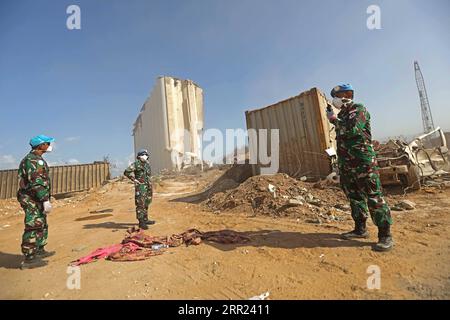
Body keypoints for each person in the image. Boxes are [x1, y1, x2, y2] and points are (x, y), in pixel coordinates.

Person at [326, 84, 394, 252]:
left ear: (347, 95)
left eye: (337, 95)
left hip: (363, 162)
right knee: (354, 197)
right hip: (347, 164)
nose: (335, 99)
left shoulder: (358, 109)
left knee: (373, 196)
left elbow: (353, 129)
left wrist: (334, 120)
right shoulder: (342, 114)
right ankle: (360, 229)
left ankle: (385, 235)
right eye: (334, 96)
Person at [17, 135, 56, 269]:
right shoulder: (33, 160)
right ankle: (29, 258)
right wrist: (45, 199)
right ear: (40, 145)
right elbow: (36, 182)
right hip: (32, 198)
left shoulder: (37, 159)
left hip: (37, 197)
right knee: (33, 225)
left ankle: (39, 249)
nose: (50, 145)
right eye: (47, 143)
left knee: (41, 223)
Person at [124, 149, 155, 230]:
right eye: (145, 155)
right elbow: (126, 172)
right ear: (140, 156)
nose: (146, 156)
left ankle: (145, 219)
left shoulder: (147, 165)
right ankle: (141, 222)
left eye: (146, 155)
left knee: (147, 203)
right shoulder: (136, 164)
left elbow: (148, 176)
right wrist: (134, 179)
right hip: (140, 187)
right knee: (140, 203)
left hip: (148, 187)